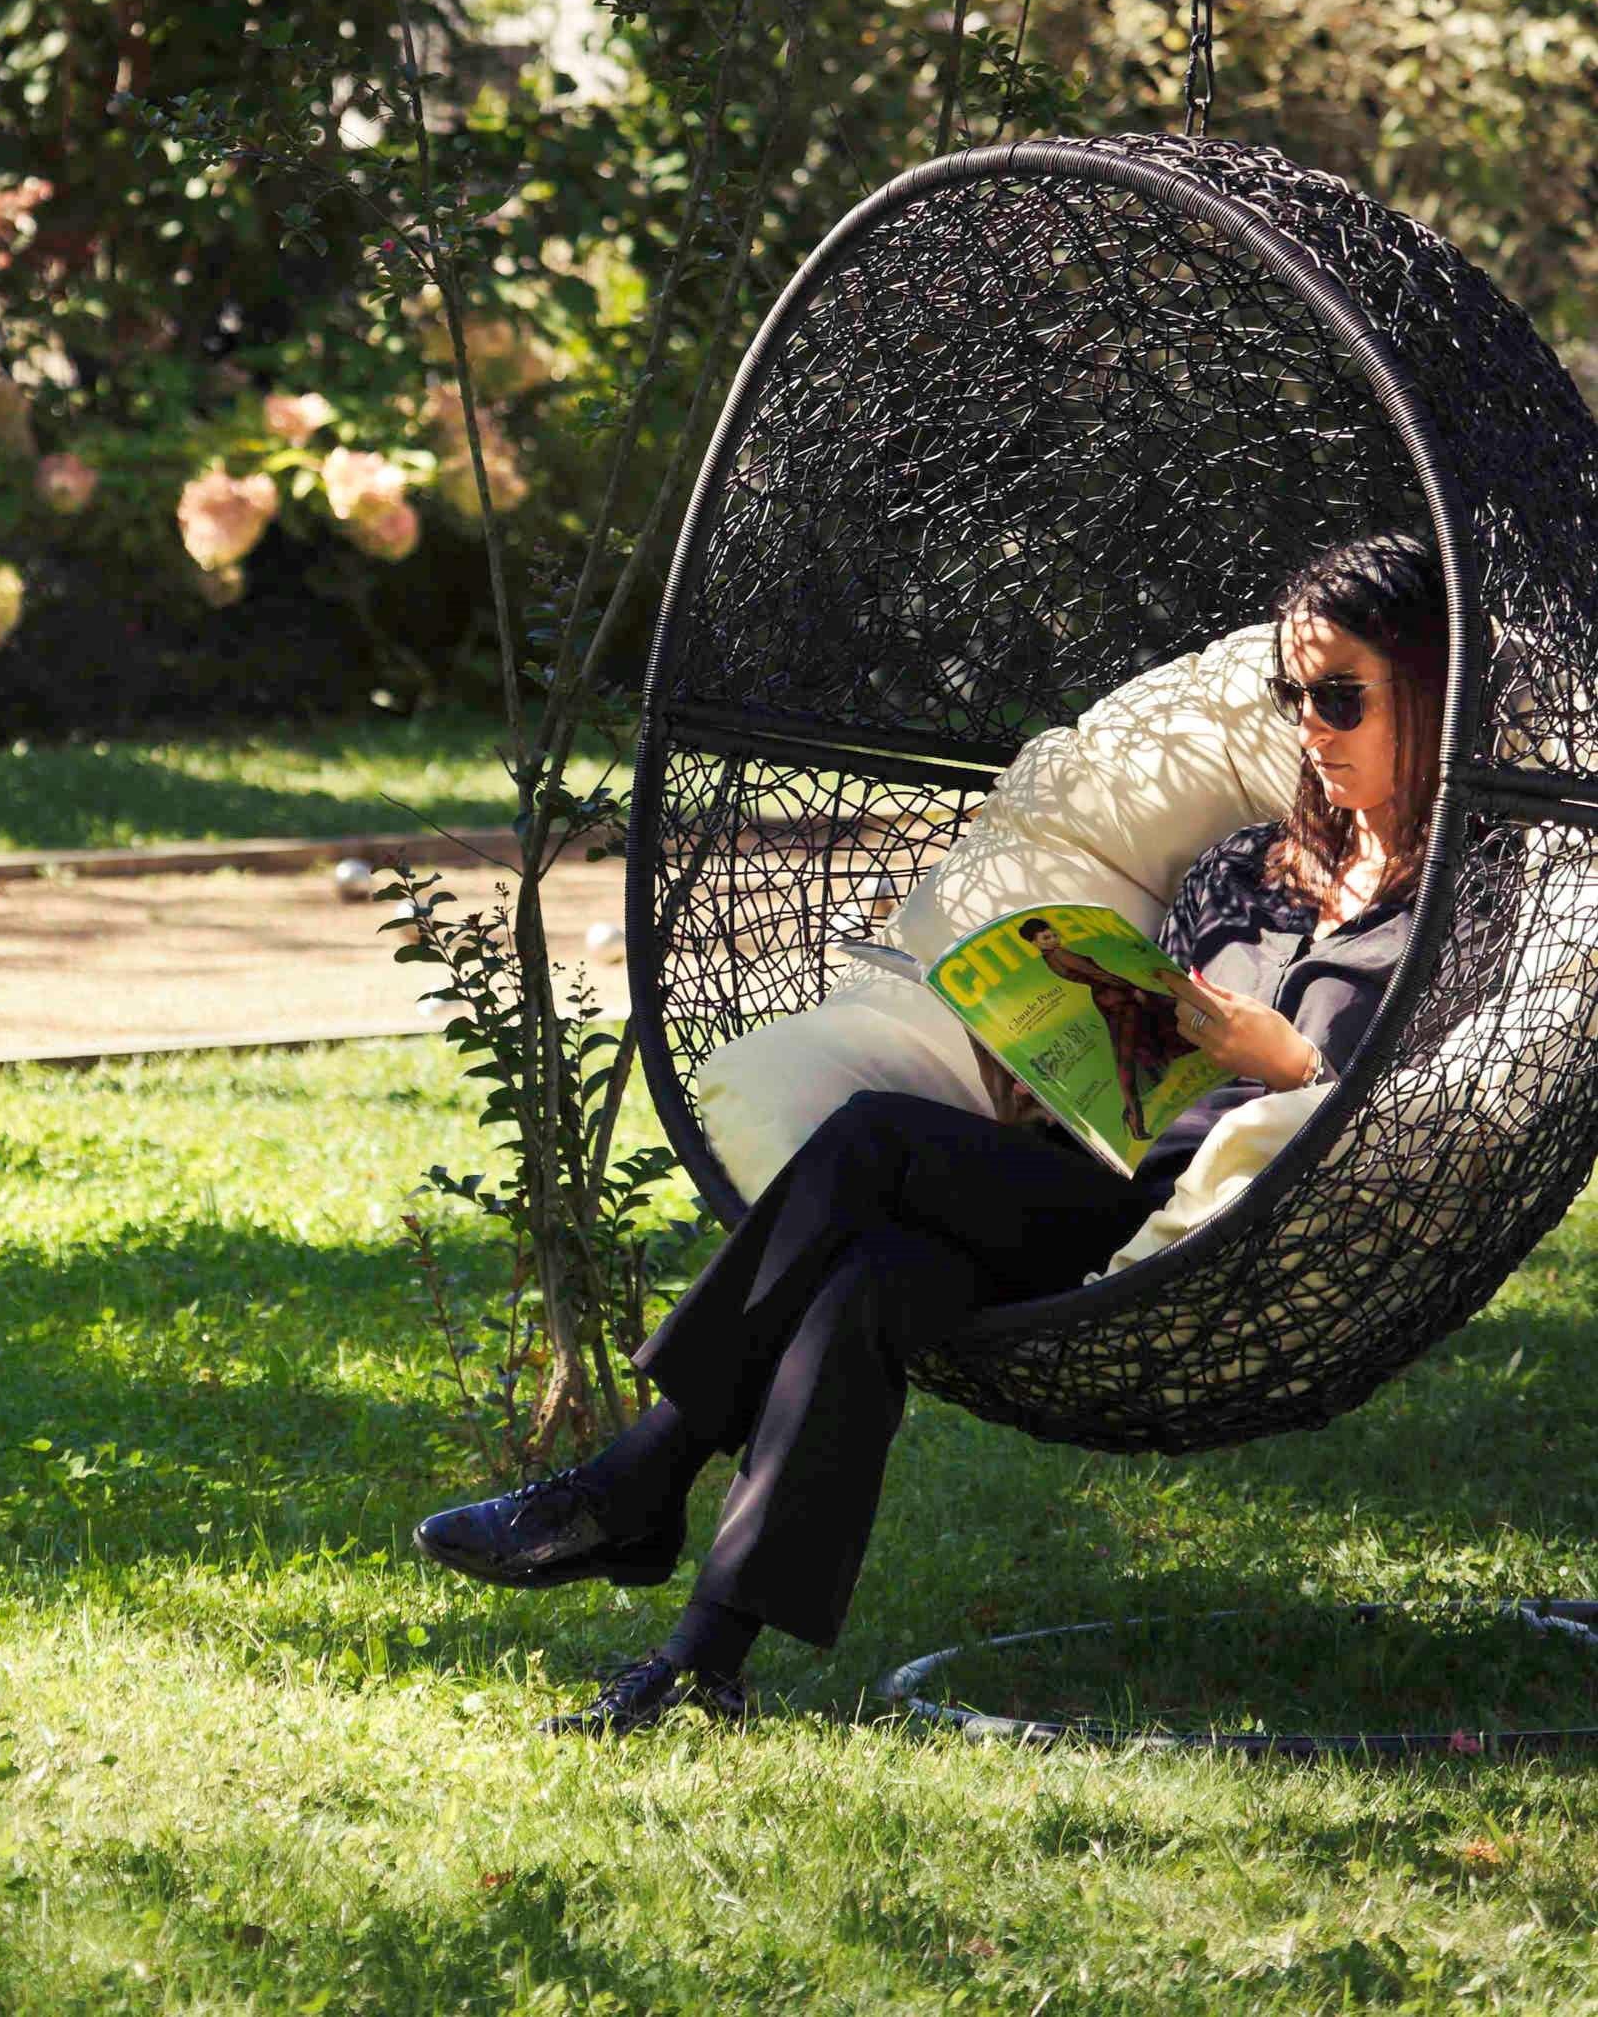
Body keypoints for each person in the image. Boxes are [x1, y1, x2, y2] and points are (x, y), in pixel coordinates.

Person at [412, 529, 1446, 1736]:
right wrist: (1045, 1072)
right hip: (1094, 1178)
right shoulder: (1239, 869)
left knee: (871, 1148)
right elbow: (1149, 1046)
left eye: (1338, 697)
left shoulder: (1449, 904)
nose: (1309, 727)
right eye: (1292, 696)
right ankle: (705, 1661)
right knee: (870, 1282)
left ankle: (639, 1477)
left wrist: (1299, 1065)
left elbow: (1433, 1091)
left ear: (1426, 689)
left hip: (1225, 1227)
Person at [1012, 915, 1197, 1142]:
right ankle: (1134, 1117)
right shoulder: (1060, 954)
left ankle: (1135, 1116)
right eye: (1047, 937)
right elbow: (1098, 975)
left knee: (1130, 1052)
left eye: (1054, 934)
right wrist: (1131, 989)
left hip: (1109, 1000)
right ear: (1036, 942)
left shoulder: (1050, 959)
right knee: (1130, 1053)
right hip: (1119, 999)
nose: (1054, 939)